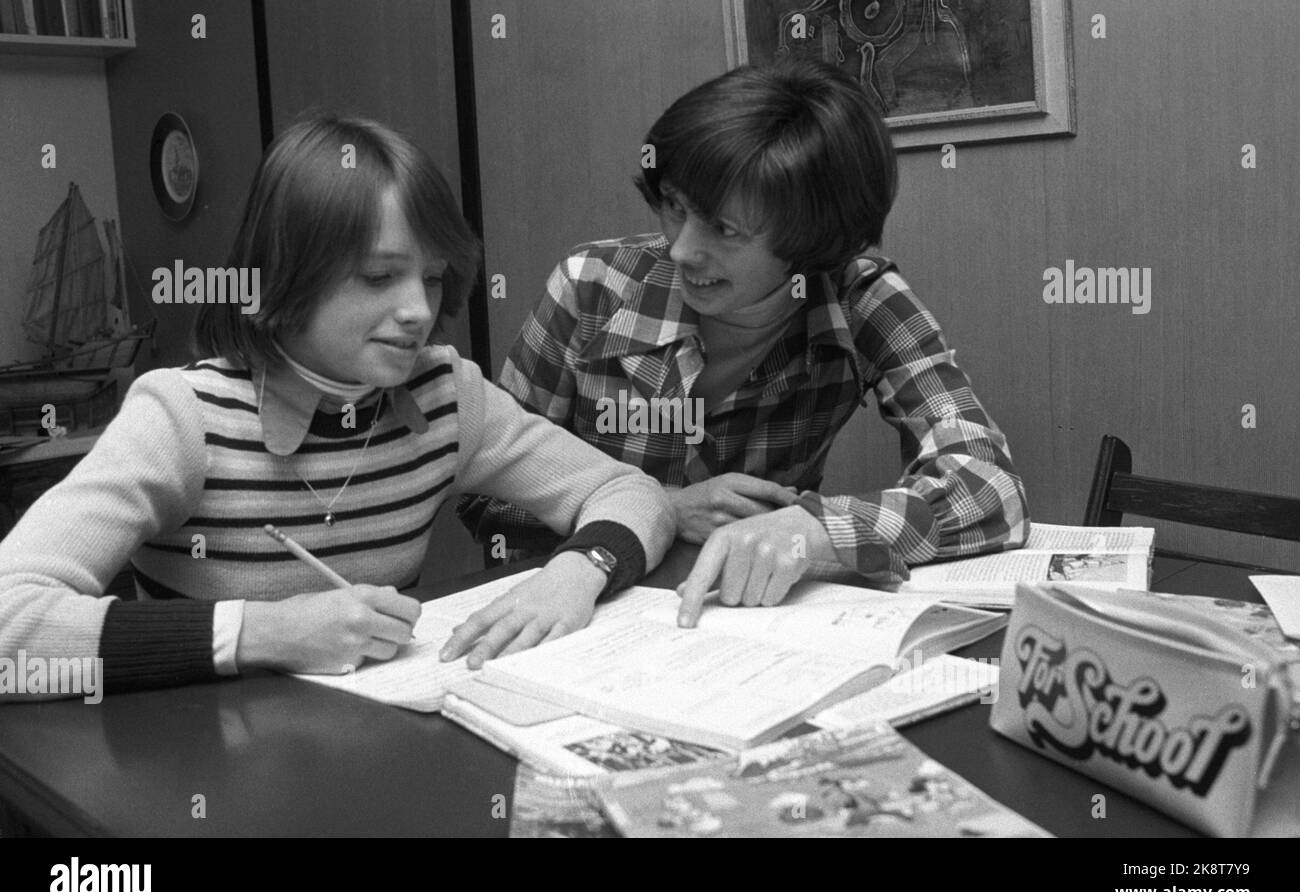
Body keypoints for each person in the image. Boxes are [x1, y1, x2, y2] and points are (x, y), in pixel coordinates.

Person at [0, 116, 674, 699]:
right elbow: (9, 623)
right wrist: (263, 631)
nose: (418, 311)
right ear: (284, 275)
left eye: (433, 278)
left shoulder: (444, 391)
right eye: (380, 276)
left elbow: (628, 490)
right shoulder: (184, 415)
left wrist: (576, 572)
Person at [459, 59, 1029, 626]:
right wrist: (658, 510)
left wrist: (817, 527)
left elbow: (991, 488)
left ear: (812, 241)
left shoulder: (861, 297)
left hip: (752, 620)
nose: (683, 250)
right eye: (674, 208)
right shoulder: (593, 287)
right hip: (585, 618)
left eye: (725, 230)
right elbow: (487, 497)